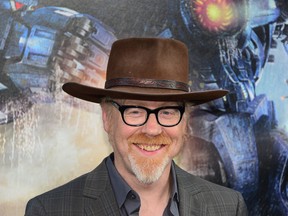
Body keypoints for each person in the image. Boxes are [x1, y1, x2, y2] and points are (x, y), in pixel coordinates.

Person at [25, 37, 248, 216]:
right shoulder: (49, 211)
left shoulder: (228, 207)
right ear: (107, 118)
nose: (152, 129)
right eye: (134, 111)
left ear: (185, 122)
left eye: (168, 112)